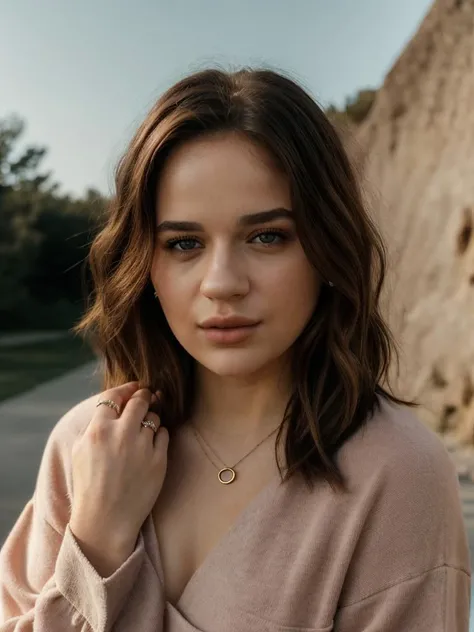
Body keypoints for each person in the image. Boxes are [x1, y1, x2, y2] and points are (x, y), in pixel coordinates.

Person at [0, 67, 470, 632]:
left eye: (267, 236)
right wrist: (95, 547)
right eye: (184, 243)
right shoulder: (86, 448)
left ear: (325, 249)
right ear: (146, 266)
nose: (222, 282)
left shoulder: (397, 474)